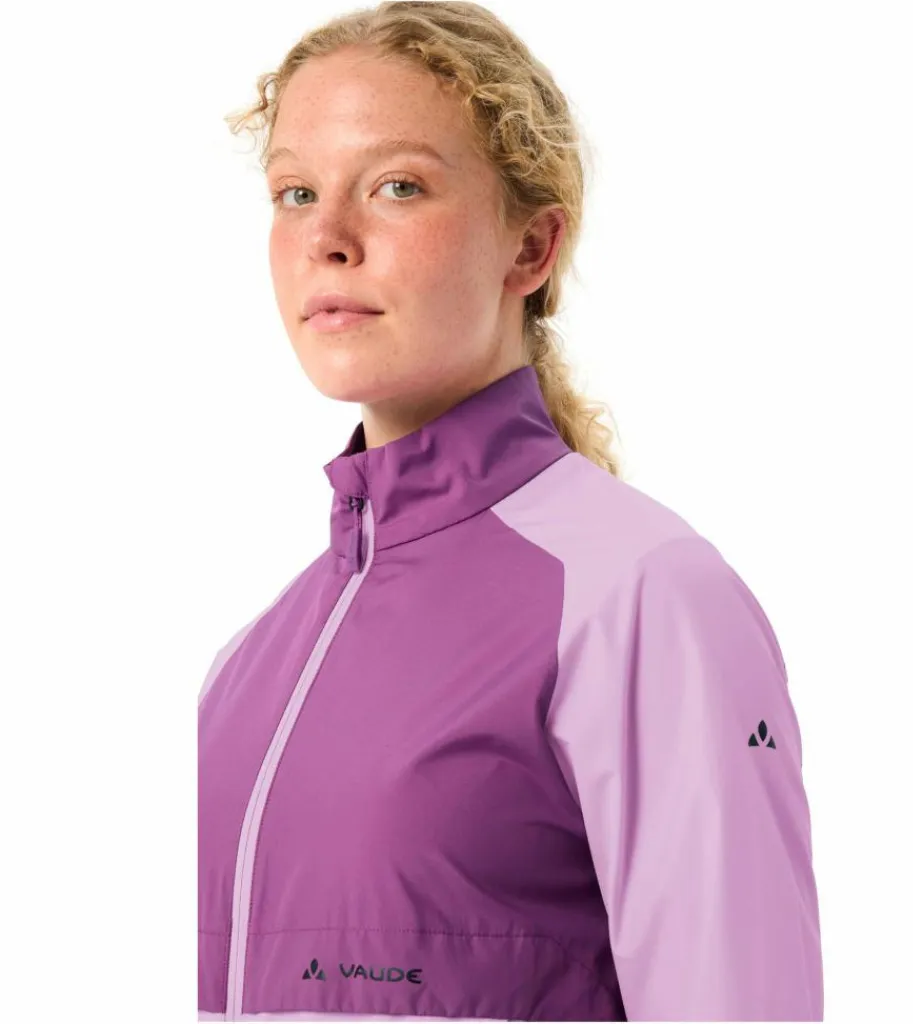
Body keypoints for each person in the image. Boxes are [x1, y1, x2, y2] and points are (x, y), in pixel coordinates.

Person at [198, 3, 824, 1021]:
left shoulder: (644, 598)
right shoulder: (245, 667)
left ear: (531, 247)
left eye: (397, 186)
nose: (327, 239)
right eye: (296, 192)